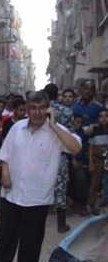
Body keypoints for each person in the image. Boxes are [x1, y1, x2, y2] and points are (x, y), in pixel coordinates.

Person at [0, 91, 81, 262]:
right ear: (27, 108)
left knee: (31, 241)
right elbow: (5, 154)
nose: (37, 112)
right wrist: (5, 174)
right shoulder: (17, 128)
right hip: (12, 194)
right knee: (6, 237)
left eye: (42, 108)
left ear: (49, 108)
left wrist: (53, 125)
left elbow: (75, 148)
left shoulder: (57, 132)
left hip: (38, 197)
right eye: (33, 108)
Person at [48, 85, 75, 232]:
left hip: (43, 152)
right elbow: (71, 133)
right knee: (60, 187)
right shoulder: (67, 111)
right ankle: (61, 224)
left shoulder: (42, 109)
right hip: (60, 153)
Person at [88, 109, 108, 214]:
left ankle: (105, 203)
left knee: (106, 183)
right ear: (98, 118)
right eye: (101, 116)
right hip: (97, 160)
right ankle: (92, 205)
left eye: (106, 115)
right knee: (95, 183)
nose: (104, 118)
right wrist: (91, 162)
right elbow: (91, 147)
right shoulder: (94, 130)